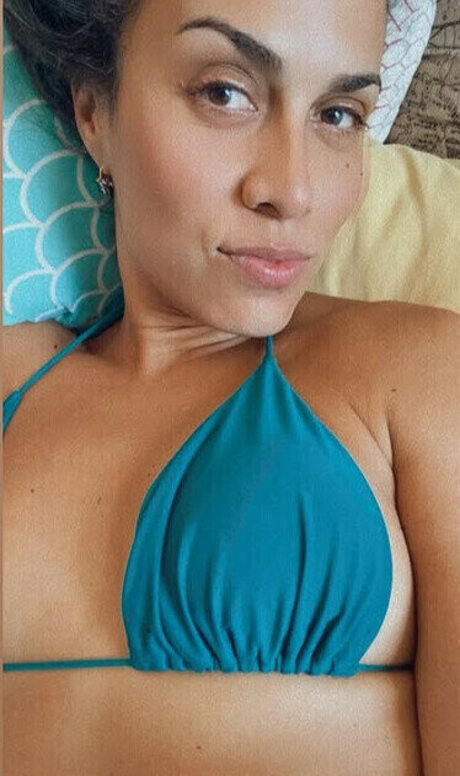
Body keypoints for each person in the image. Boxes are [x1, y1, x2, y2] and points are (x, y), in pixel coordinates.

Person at [3, 0, 459, 774]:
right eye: (225, 92)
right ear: (94, 112)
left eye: (339, 114)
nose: (294, 190)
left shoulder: (419, 374)